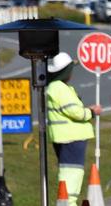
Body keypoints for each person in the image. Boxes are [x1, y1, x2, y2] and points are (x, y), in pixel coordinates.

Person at [46, 52, 102, 206]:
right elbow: (74, 111)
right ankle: (68, 202)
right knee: (72, 173)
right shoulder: (59, 88)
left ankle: (68, 201)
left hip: (66, 137)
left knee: (72, 172)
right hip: (71, 137)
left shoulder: (58, 87)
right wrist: (91, 112)